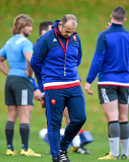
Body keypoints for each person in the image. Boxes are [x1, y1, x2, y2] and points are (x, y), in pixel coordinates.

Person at [31, 14, 86, 162]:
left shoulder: (75, 38)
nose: (68, 35)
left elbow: (77, 58)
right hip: (54, 86)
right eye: (66, 31)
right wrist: (45, 78)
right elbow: (35, 62)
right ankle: (57, 156)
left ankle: (63, 146)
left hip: (73, 84)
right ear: (60, 25)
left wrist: (70, 71)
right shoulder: (46, 39)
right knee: (54, 123)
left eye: (72, 32)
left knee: (80, 117)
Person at [84, 6, 129, 160]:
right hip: (125, 82)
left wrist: (88, 81)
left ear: (111, 16)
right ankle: (126, 154)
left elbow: (98, 60)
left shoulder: (104, 36)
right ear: (124, 19)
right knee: (124, 117)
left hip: (107, 81)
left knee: (113, 116)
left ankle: (114, 154)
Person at [0, 14, 41, 157]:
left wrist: (9, 73)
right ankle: (25, 149)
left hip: (10, 80)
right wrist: (29, 74)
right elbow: (30, 59)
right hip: (22, 81)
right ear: (21, 27)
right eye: (29, 26)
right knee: (25, 114)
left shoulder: (9, 42)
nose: (31, 29)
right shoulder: (25, 42)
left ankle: (9, 148)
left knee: (12, 114)